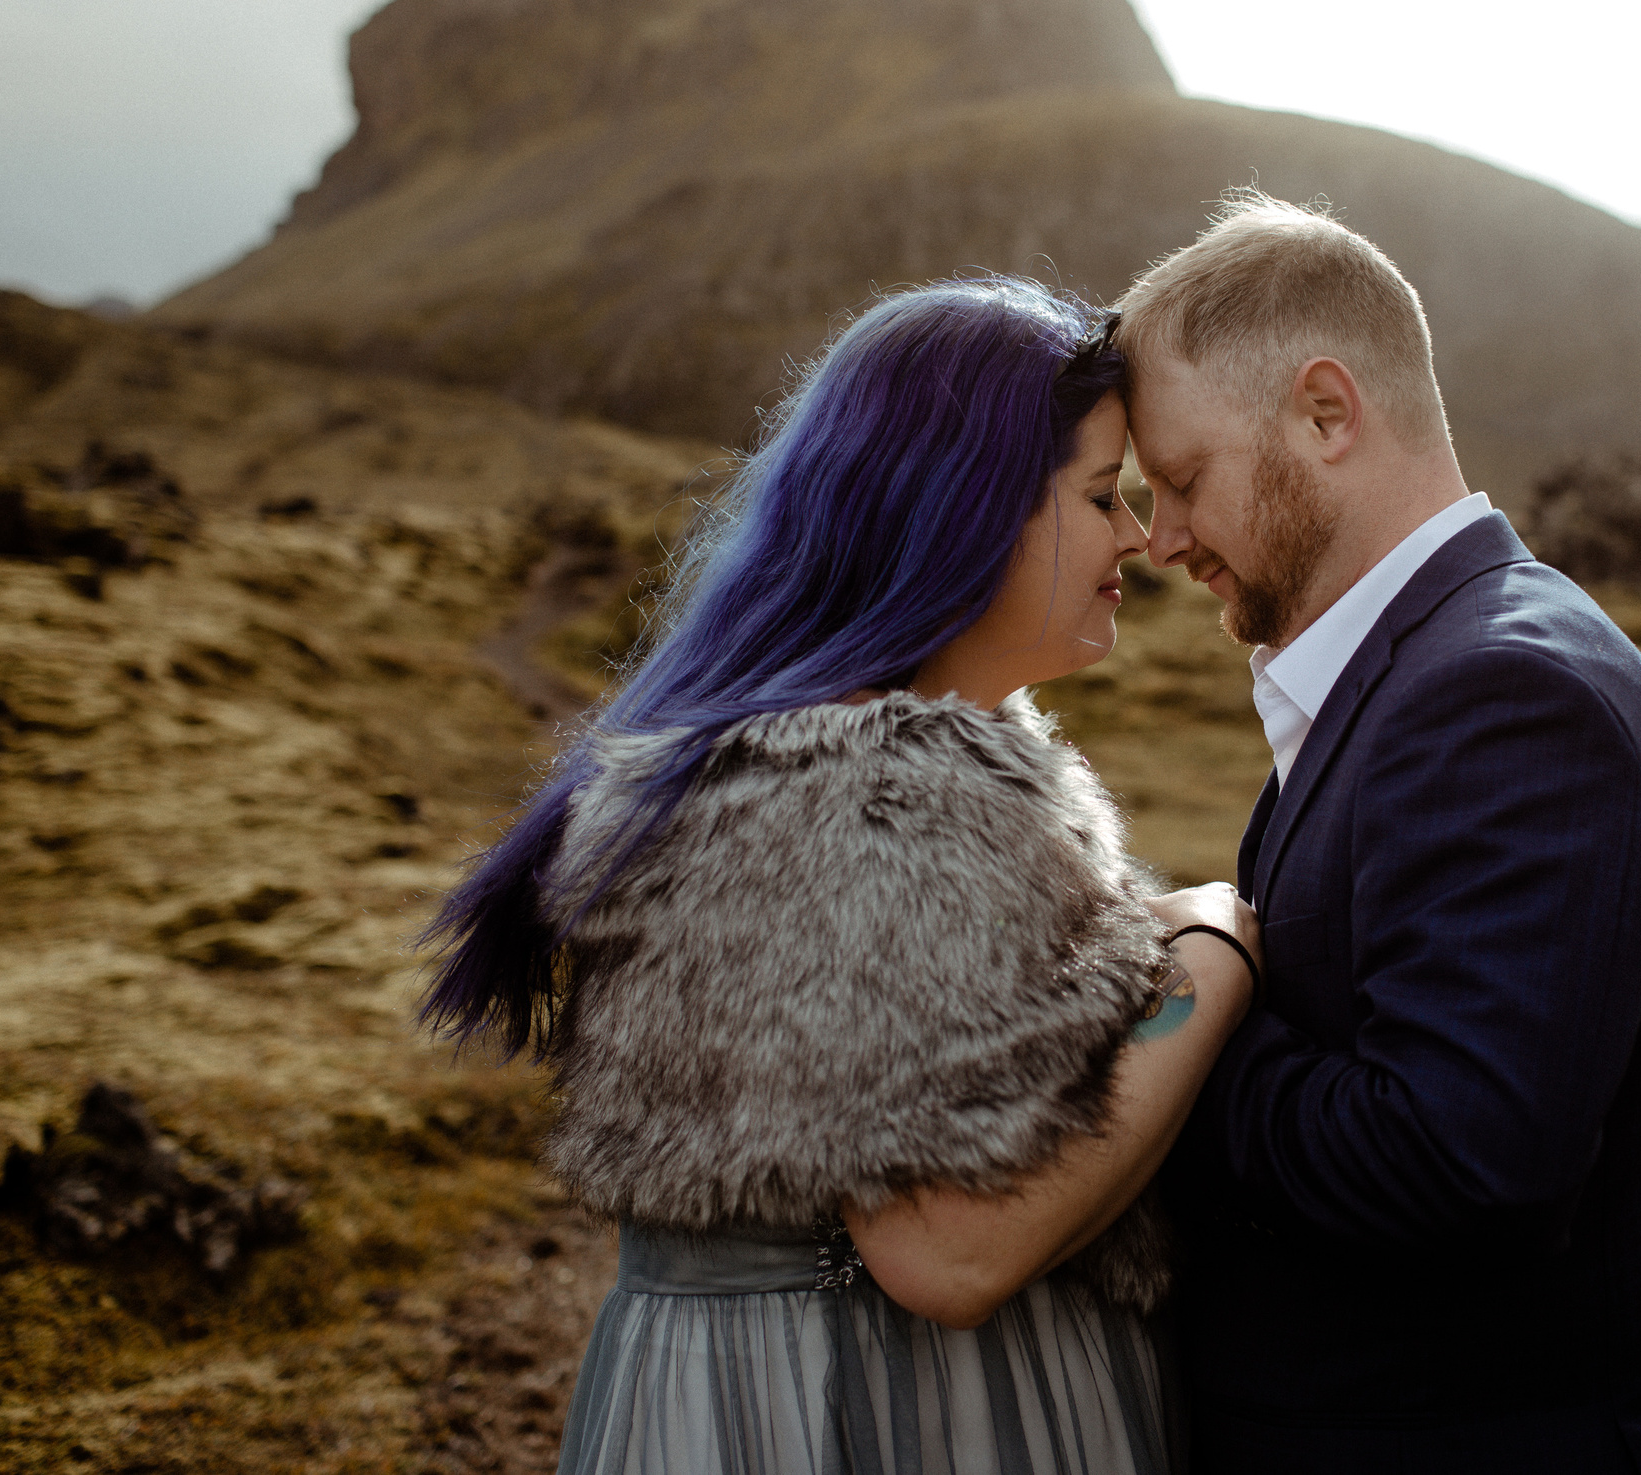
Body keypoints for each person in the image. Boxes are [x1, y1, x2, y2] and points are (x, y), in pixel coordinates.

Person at [417, 278, 1265, 1475]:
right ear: (960, 513)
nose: (1137, 537)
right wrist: (1211, 950)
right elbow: (946, 1251)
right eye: (1096, 494)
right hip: (877, 1410)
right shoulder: (866, 787)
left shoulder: (842, 757)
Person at [1116, 193, 1641, 1472]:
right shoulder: (1413, 672)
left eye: (1182, 481)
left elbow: (1459, 1164)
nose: (1161, 538)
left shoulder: (1511, 693)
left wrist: (1181, 1010)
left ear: (1325, 412)